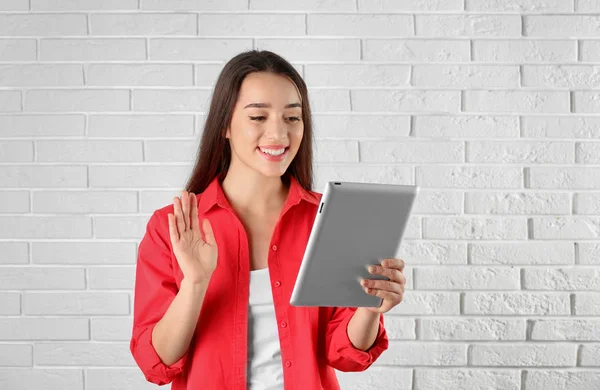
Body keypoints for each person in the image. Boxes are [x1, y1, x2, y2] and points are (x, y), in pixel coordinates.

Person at [129, 50, 406, 389]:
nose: (279, 135)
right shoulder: (172, 226)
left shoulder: (329, 220)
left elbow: (345, 354)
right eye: (258, 117)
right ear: (225, 126)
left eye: (292, 118)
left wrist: (370, 306)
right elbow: (157, 363)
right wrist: (195, 283)